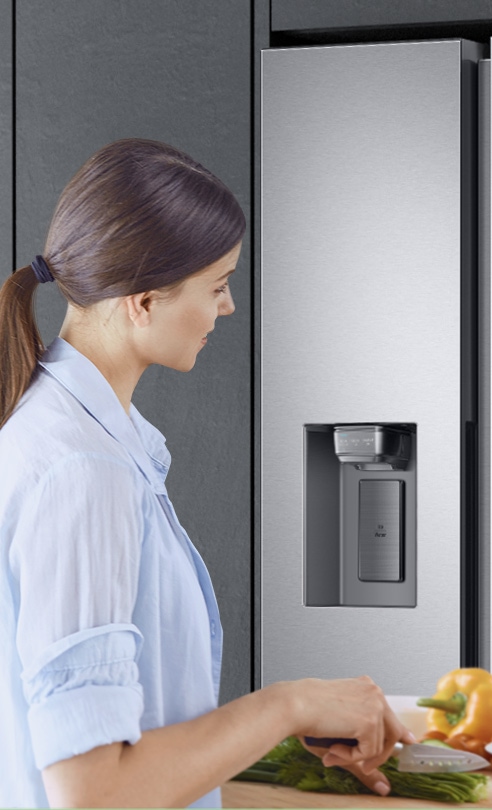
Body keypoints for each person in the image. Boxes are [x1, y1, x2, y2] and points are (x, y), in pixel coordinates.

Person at [0, 139, 413, 808]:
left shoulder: (77, 433)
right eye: (217, 286)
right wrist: (289, 705)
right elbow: (94, 792)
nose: (227, 308)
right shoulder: (83, 472)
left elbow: (132, 739)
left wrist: (290, 735)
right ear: (141, 301)